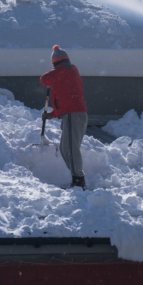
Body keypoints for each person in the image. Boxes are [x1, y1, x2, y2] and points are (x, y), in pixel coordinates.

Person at [39, 45, 88, 190]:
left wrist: (49, 79)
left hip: (74, 115)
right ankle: (76, 178)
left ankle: (79, 181)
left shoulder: (65, 68)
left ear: (56, 62)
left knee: (70, 149)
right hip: (71, 114)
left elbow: (44, 79)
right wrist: (52, 114)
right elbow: (65, 100)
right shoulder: (66, 73)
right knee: (65, 148)